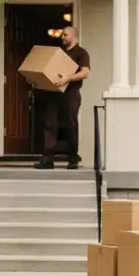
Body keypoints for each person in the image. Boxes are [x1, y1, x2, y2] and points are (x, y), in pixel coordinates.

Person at [34, 25, 91, 170]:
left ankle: (72, 160)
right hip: (54, 93)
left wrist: (68, 78)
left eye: (65, 35)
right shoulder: (59, 53)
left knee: (71, 125)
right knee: (50, 124)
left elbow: (85, 73)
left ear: (73, 36)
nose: (63, 37)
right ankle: (47, 160)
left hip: (71, 93)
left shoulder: (81, 53)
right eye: (62, 35)